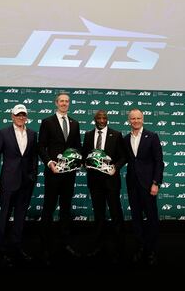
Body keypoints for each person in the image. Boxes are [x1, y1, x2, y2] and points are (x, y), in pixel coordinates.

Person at [0, 104, 38, 268]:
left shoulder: (32, 134)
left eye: (23, 115)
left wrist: (33, 177)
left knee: (20, 217)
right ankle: (2, 251)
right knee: (4, 216)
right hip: (8, 182)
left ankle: (17, 248)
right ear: (12, 116)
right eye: (18, 115)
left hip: (26, 183)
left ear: (27, 116)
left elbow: (33, 158)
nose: (21, 117)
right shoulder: (3, 133)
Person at [38, 92, 82, 263]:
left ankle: (65, 244)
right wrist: (50, 163)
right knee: (48, 208)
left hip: (69, 174)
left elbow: (77, 146)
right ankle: (45, 246)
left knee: (65, 208)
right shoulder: (47, 122)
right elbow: (41, 146)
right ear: (56, 103)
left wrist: (77, 162)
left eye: (67, 101)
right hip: (53, 173)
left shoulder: (75, 123)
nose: (64, 103)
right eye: (61, 101)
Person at [82, 109, 126, 262]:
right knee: (99, 215)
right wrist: (85, 163)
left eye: (104, 118)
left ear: (107, 119)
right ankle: (98, 246)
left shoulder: (117, 134)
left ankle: (119, 247)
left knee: (116, 214)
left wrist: (116, 167)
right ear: (94, 119)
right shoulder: (88, 135)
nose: (101, 120)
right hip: (95, 182)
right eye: (98, 118)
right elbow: (84, 155)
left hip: (111, 181)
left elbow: (123, 156)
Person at [124, 108, 164, 266]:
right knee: (136, 219)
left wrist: (156, 183)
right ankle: (140, 247)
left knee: (152, 219)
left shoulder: (152, 136)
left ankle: (151, 250)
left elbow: (159, 162)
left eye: (138, 118)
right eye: (133, 119)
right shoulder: (126, 139)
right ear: (129, 120)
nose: (136, 121)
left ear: (143, 119)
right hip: (132, 185)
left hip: (148, 185)